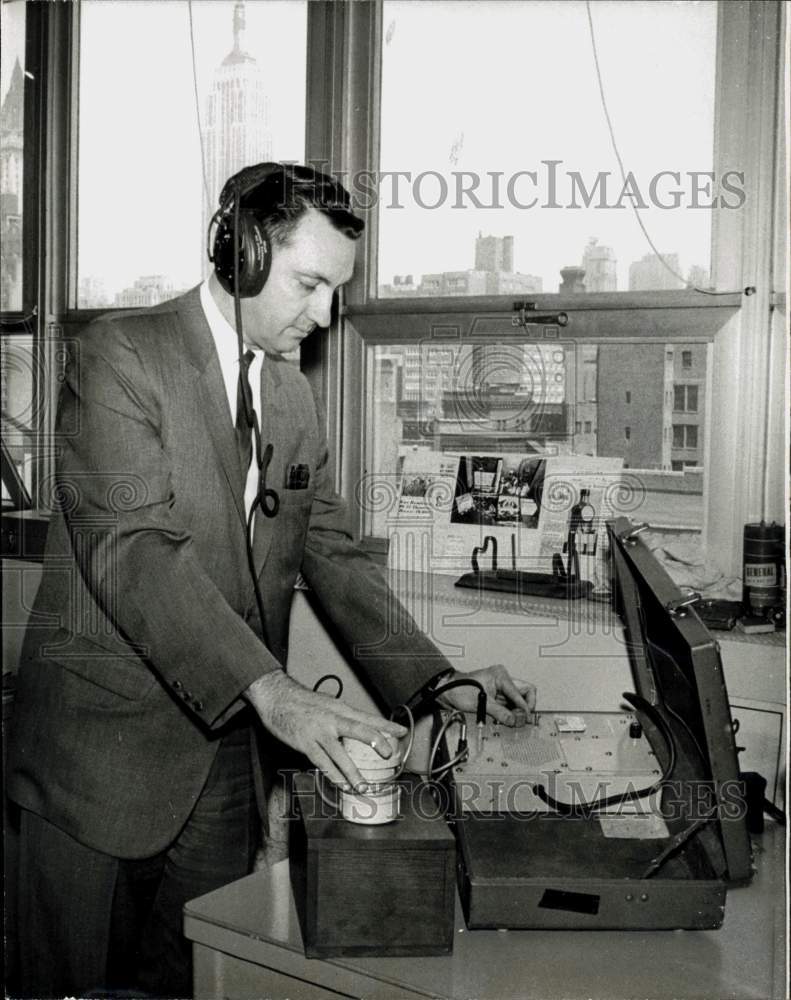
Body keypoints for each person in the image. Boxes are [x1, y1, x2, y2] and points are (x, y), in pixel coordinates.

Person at [7, 163, 535, 998]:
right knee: (70, 983)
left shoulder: (289, 394)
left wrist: (435, 681)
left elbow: (329, 550)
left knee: (198, 977)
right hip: (95, 762)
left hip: (223, 765)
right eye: (309, 283)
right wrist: (273, 690)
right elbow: (133, 549)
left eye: (338, 292)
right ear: (240, 253)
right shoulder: (118, 358)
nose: (324, 315)